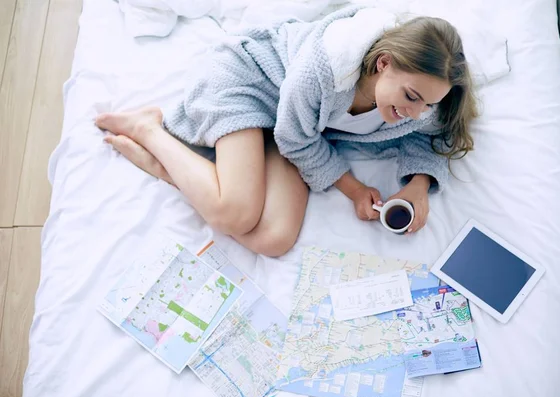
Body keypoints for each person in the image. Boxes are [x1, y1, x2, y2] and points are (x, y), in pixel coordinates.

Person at [95, 6, 477, 257]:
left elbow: (434, 134)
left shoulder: (420, 105)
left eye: (427, 104)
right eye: (411, 97)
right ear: (383, 63)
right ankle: (150, 129)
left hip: (288, 125)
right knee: (234, 214)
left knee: (273, 240)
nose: (414, 113)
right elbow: (295, 139)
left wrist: (418, 184)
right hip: (249, 83)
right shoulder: (323, 68)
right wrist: (354, 189)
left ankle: (169, 170)